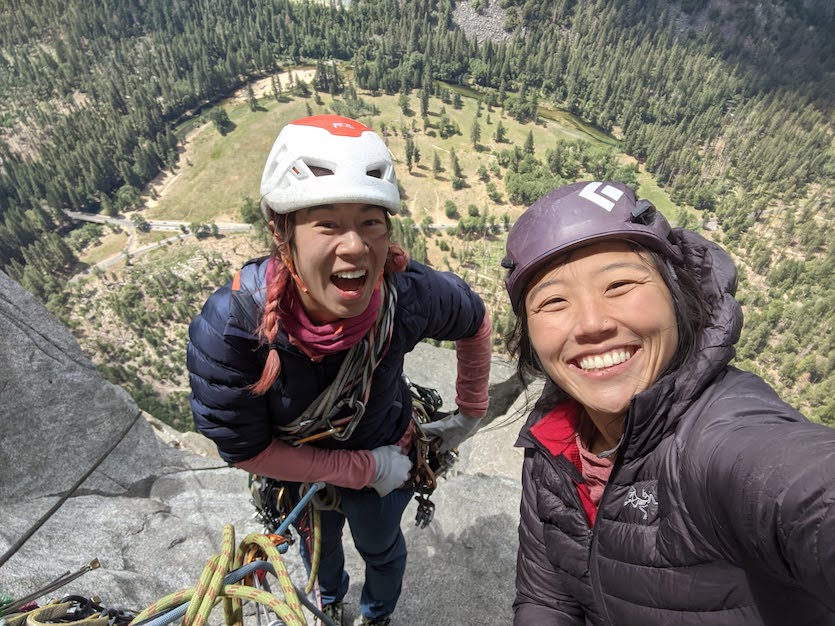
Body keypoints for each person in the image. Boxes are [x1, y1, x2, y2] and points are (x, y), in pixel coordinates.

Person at [187, 114, 492, 626]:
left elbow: (475, 321)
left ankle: (374, 616)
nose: (354, 247)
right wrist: (364, 469)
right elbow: (247, 449)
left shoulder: (406, 294)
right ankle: (327, 603)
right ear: (281, 232)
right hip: (325, 467)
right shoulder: (234, 328)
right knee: (322, 555)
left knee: (381, 548)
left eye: (371, 221)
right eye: (326, 223)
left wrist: (470, 415)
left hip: (385, 451)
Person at [501, 180, 835, 625]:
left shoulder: (721, 440)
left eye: (619, 284)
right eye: (554, 301)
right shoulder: (553, 446)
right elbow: (547, 598)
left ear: (677, 297)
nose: (592, 323)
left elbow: (805, 490)